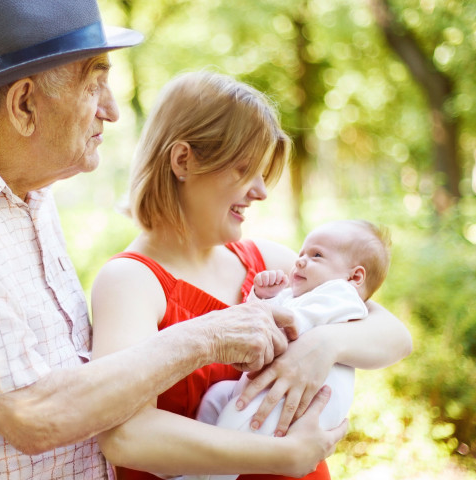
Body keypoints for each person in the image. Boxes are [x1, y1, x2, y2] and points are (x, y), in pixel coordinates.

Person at [0, 1, 351, 479]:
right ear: (23, 104)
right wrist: (205, 337)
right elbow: (30, 415)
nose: (112, 110)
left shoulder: (28, 190)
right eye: (93, 83)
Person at [90, 71, 412, 479]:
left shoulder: (266, 261)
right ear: (183, 160)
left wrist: (326, 344)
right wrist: (283, 456)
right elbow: (127, 437)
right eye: (245, 169)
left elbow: (396, 336)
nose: (261, 191)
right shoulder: (129, 281)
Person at [187, 220, 392, 480]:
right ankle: (189, 465)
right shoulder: (298, 295)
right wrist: (261, 297)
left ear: (354, 277)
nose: (300, 261)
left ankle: (202, 476)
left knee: (235, 428)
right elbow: (255, 319)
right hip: (266, 391)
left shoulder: (341, 298)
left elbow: (295, 322)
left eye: (316, 255)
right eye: (301, 253)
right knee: (218, 397)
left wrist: (275, 320)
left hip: (291, 407)